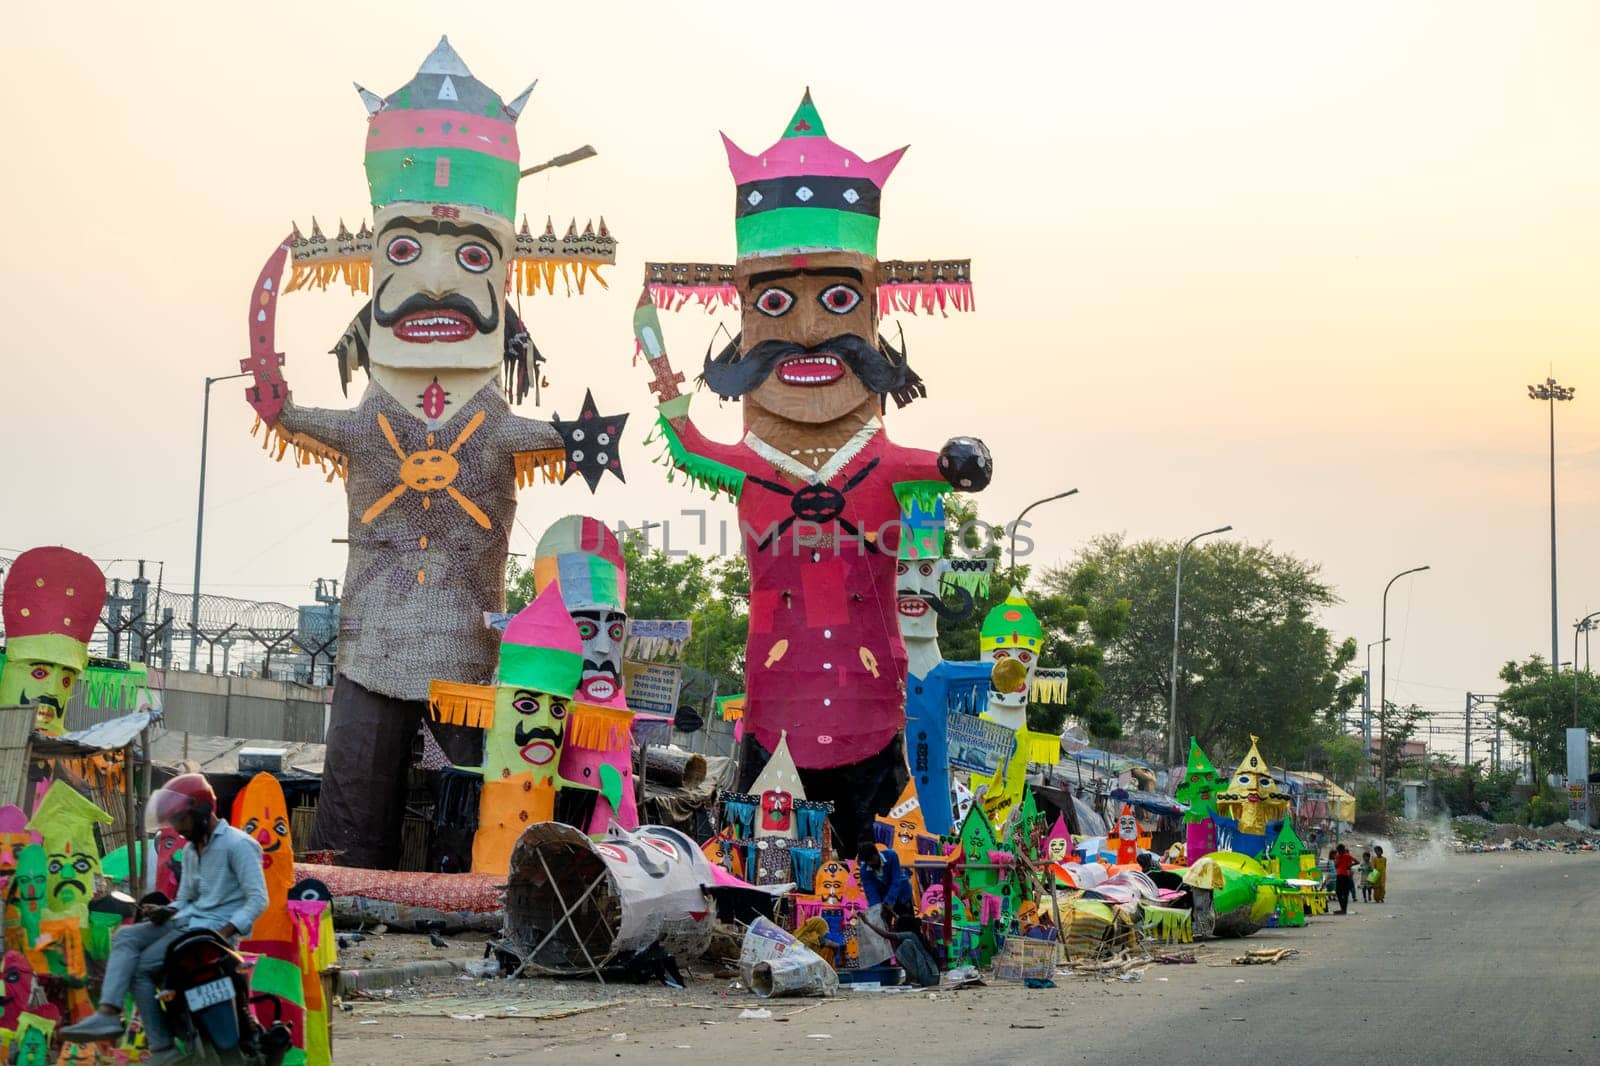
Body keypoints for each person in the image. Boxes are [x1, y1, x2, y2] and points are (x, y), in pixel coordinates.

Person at [61, 773, 268, 1063]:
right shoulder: (193, 851)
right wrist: (166, 909)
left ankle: (163, 1049)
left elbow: (258, 899)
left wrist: (224, 931)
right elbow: (186, 900)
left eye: (180, 820)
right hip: (187, 923)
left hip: (210, 934)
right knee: (127, 936)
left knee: (142, 968)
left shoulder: (238, 844)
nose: (177, 829)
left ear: (201, 811)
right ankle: (107, 1014)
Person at [1332, 844, 1358, 914]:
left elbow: (1357, 861)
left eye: (1341, 850)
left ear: (1343, 850)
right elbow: (1336, 865)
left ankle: (1344, 909)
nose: (1340, 852)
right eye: (1339, 850)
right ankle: (1343, 908)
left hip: (1345, 875)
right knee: (1339, 892)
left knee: (1344, 892)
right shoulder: (1338, 856)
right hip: (1340, 875)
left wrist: (1349, 865)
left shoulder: (1347, 856)